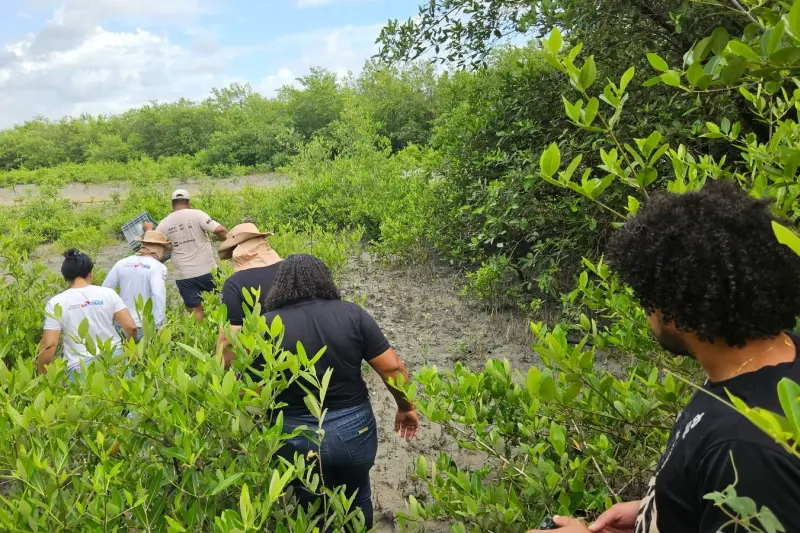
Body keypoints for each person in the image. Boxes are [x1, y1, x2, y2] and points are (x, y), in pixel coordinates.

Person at [528, 181, 800, 533]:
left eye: (647, 299)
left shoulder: (747, 452)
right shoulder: (773, 357)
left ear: (676, 305)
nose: (647, 314)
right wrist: (657, 510)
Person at [252, 254, 419, 529]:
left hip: (293, 434)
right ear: (324, 279)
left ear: (280, 285)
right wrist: (405, 406)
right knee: (357, 495)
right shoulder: (352, 313)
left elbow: (256, 388)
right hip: (353, 429)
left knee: (308, 501)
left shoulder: (265, 324)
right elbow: (393, 369)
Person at [39, 249, 138, 377]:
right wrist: (128, 348)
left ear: (65, 277)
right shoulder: (108, 294)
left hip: (80, 366)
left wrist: (41, 375)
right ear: (91, 273)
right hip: (115, 359)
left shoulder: (56, 303)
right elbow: (131, 327)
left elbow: (49, 345)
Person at [143, 189, 228, 322]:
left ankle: (201, 338)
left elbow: (153, 243)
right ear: (189, 202)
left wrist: (148, 231)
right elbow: (220, 230)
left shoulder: (164, 223)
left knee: (196, 310)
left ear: (172, 204)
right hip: (207, 270)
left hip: (184, 275)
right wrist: (230, 243)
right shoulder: (198, 214)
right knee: (224, 303)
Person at [215, 222, 281, 368]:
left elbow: (228, 338)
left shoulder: (234, 284)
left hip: (262, 358)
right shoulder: (290, 269)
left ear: (235, 250)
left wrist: (220, 374)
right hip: (301, 351)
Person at [102, 230, 170, 341]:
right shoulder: (158, 267)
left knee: (124, 356)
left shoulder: (122, 262)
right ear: (159, 248)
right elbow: (158, 295)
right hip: (143, 325)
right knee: (143, 357)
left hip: (122, 323)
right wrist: (159, 324)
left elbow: (105, 290)